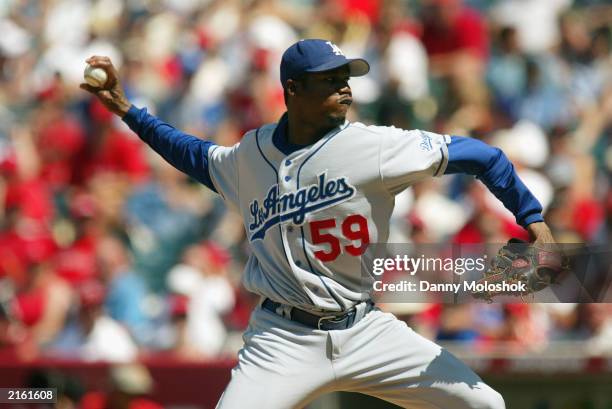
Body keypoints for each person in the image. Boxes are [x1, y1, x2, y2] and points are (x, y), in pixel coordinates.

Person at [81, 39, 556, 409]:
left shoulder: (376, 146)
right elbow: (188, 152)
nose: (345, 87)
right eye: (329, 80)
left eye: (345, 77)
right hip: (282, 337)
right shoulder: (250, 154)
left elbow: (483, 156)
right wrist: (128, 110)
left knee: (484, 403)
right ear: (293, 89)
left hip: (366, 328)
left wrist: (532, 218)